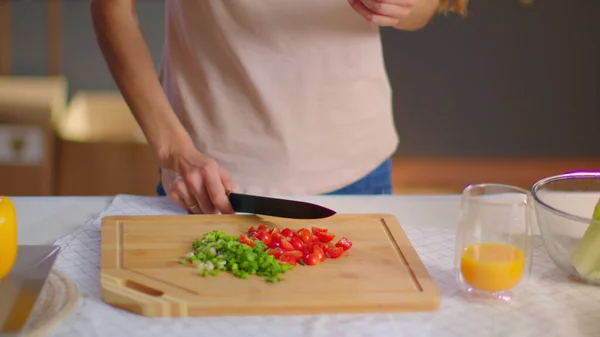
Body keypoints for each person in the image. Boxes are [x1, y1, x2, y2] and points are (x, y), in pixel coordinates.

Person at [90, 0, 468, 215]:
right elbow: (112, 9)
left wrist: (404, 4)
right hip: (213, 181)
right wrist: (174, 149)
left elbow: (423, 8)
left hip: (358, 170)